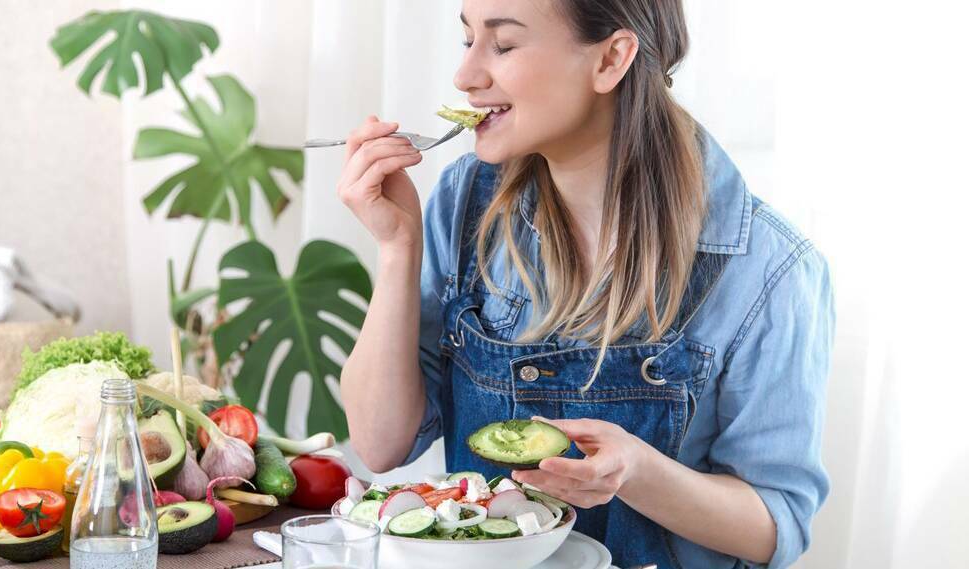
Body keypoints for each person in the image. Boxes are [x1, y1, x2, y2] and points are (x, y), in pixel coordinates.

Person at [337, 1, 834, 567]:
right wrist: (397, 247)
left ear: (611, 59)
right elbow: (380, 444)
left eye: (502, 45)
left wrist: (637, 472)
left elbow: (777, 525)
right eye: (467, 39)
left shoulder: (767, 267)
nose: (465, 76)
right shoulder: (465, 201)